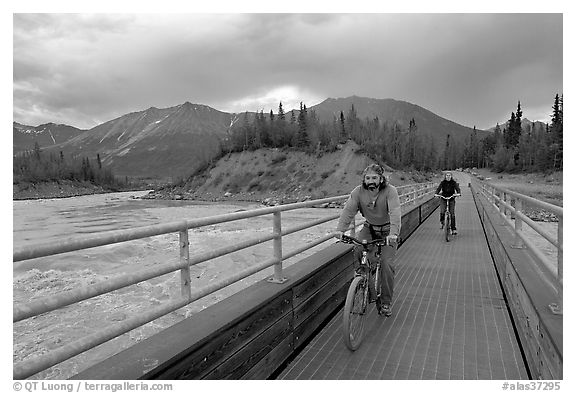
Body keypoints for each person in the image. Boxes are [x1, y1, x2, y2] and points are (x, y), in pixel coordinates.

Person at [335, 164, 401, 317]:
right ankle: (361, 281)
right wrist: (340, 230)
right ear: (364, 179)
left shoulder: (390, 191)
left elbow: (395, 212)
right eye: (368, 178)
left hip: (387, 230)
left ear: (381, 178)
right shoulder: (358, 192)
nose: (371, 181)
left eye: (374, 178)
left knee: (386, 264)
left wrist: (394, 233)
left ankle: (385, 302)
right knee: (358, 247)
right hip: (370, 227)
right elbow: (349, 210)